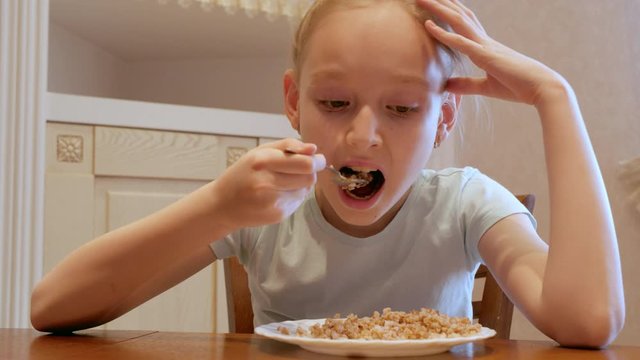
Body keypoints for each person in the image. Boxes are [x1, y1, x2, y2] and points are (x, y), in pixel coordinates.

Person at [30, 0, 624, 347]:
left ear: (443, 119)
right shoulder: (262, 208)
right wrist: (218, 206)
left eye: (401, 109)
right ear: (294, 101)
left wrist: (554, 98)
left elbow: (589, 320)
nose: (363, 135)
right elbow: (53, 307)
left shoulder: (465, 202)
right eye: (336, 103)